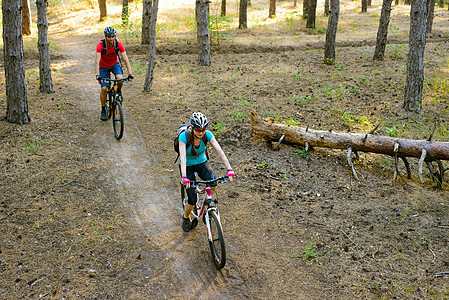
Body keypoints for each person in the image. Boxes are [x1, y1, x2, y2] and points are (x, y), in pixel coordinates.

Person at [179, 112, 235, 232]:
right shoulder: (183, 137)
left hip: (201, 162)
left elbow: (220, 152)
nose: (201, 132)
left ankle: (206, 209)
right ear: (192, 128)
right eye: (198, 130)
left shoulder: (207, 135)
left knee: (213, 182)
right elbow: (183, 158)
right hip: (187, 165)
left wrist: (229, 169)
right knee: (192, 199)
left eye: (203, 129)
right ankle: (185, 217)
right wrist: (184, 176)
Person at [95, 26, 134, 121]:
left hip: (114, 65)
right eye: (109, 37)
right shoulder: (101, 44)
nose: (111, 39)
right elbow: (97, 60)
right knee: (104, 88)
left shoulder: (118, 44)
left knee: (120, 79)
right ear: (105, 37)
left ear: (115, 36)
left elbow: (125, 59)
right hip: (103, 67)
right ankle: (103, 109)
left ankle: (118, 91)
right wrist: (97, 75)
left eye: (113, 36)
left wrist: (130, 73)